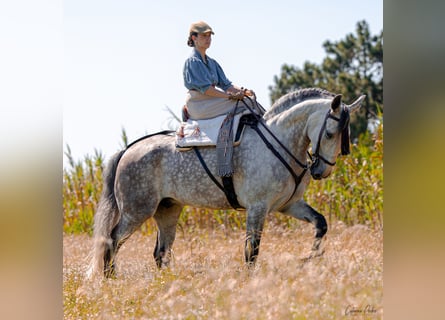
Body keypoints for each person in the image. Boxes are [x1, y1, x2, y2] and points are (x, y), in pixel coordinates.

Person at [183, 21, 254, 120]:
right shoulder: (193, 61)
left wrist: (245, 91)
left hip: (212, 101)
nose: (208, 39)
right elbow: (206, 89)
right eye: (204, 36)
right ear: (194, 38)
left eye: (209, 36)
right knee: (246, 103)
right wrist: (230, 96)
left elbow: (227, 86)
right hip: (198, 104)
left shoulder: (212, 63)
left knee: (250, 100)